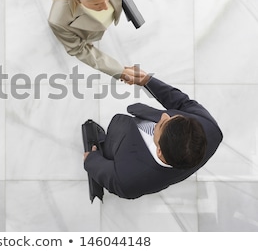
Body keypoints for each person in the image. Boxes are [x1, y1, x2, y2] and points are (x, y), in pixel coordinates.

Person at [83, 67, 223, 199]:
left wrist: (91, 159)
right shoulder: (210, 128)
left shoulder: (129, 180)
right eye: (173, 117)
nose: (163, 116)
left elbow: (107, 174)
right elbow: (182, 103)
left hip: (117, 149)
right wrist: (147, 81)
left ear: (160, 151)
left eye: (161, 125)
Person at [48, 0, 138, 83]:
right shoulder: (58, 19)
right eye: (96, 4)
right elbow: (79, 49)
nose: (106, 7)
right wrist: (119, 71)